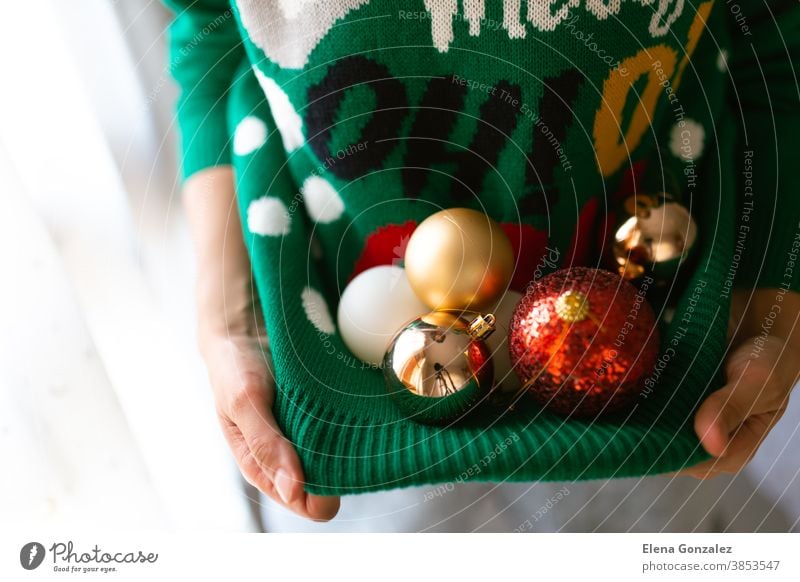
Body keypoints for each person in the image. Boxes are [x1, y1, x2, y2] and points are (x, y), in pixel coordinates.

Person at [166, 0, 800, 531]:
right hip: (366, 417)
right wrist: (227, 305)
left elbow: (774, 33)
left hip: (656, 380)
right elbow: (211, 37)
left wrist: (774, 289)